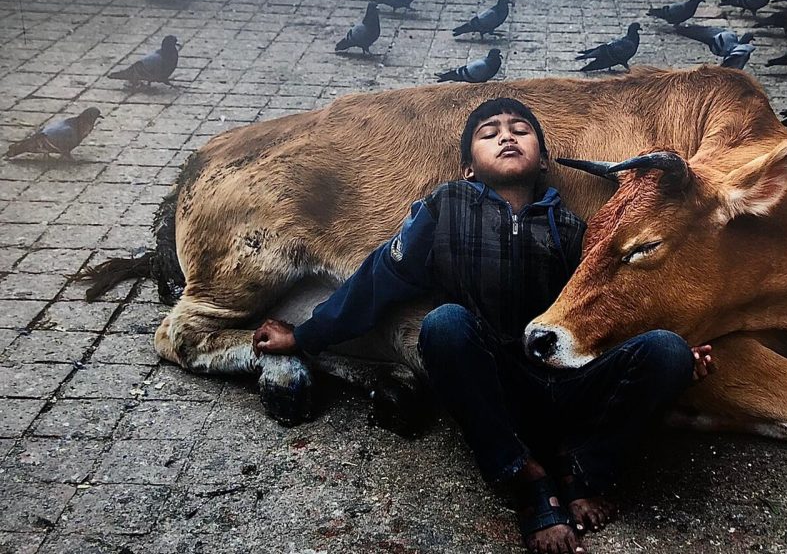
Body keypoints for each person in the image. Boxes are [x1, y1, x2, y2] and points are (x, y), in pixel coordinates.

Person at [252, 98, 713, 554]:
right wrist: (303, 335)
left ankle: (584, 471)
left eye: (520, 129)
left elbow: (601, 309)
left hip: (568, 383)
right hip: (494, 388)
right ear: (469, 168)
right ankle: (525, 476)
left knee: (668, 350)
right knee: (445, 324)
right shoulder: (444, 208)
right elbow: (378, 280)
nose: (506, 136)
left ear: (545, 159)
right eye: (488, 133)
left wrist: (673, 360)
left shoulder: (573, 229)